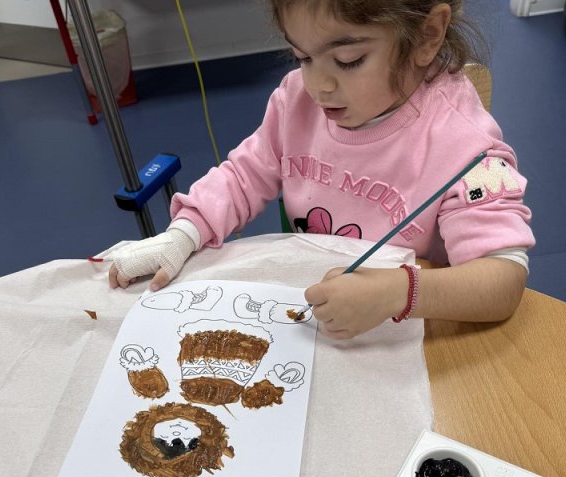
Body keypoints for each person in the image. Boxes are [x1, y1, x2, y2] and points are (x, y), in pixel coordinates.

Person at [109, 0, 535, 340]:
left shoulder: (467, 147)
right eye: (302, 57)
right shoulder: (296, 102)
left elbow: (502, 280)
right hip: (315, 320)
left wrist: (399, 292)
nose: (318, 87)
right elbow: (243, 176)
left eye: (348, 60)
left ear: (427, 34)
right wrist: (183, 234)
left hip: (404, 333)